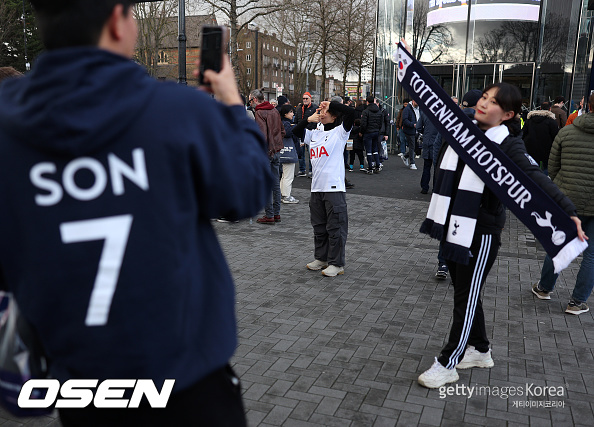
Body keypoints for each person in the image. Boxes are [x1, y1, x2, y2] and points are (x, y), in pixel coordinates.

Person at [0, 0, 272, 425]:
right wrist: (231, 105)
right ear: (116, 20)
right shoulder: (180, 112)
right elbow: (249, 189)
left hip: (83, 386)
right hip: (186, 382)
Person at [417, 83, 584, 389]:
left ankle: (448, 363)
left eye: (493, 102)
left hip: (481, 232)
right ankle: (480, 350)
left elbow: (536, 178)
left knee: (464, 298)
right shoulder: (460, 128)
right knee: (465, 294)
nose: (483, 104)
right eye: (484, 97)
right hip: (454, 224)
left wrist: (567, 210)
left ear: (508, 114)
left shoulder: (507, 144)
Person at [531, 93, 594, 315]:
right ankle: (577, 302)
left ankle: (544, 287)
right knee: (592, 255)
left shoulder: (566, 132)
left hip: (568, 200)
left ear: (587, 106)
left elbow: (553, 166)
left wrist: (561, 188)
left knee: (559, 243)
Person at [293, 101, 355, 277]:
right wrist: (308, 119)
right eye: (320, 109)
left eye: (325, 110)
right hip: (316, 187)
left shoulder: (340, 132)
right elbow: (296, 131)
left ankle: (337, 263)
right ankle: (322, 258)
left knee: (336, 227)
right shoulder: (315, 134)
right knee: (319, 227)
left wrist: (332, 103)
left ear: (334, 115)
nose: (321, 112)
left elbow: (351, 112)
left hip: (333, 188)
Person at [433, 89, 482, 280]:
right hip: (472, 185)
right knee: (469, 223)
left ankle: (443, 263)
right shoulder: (484, 126)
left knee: (447, 223)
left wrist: (439, 178)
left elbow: (439, 149)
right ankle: (463, 260)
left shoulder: (450, 122)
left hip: (449, 181)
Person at [251, 89, 285, 224]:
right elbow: (282, 130)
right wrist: (276, 144)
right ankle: (276, 213)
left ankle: (269, 214)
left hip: (266, 152)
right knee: (276, 183)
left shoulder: (260, 112)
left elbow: (261, 135)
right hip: (275, 150)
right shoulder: (274, 110)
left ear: (254, 99)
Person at [522, 102, 558, 174]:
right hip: (546, 149)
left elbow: (523, 133)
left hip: (531, 148)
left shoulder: (530, 120)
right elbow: (555, 136)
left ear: (540, 108)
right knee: (546, 169)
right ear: (550, 109)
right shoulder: (551, 121)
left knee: (532, 168)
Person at [279, 104, 299, 204]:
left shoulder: (280, 122)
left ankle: (282, 194)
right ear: (285, 113)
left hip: (282, 152)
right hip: (288, 152)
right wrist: (294, 128)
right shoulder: (287, 124)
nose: (293, 114)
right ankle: (286, 196)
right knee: (288, 175)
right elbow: (288, 133)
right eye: (291, 112)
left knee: (284, 175)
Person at [295, 92, 318, 177]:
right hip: (301, 132)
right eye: (303, 98)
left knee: (311, 153)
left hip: (310, 132)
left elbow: (316, 120)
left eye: (306, 98)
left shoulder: (314, 108)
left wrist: (310, 128)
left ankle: (311, 171)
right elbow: (297, 119)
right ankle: (302, 170)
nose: (305, 100)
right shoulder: (300, 108)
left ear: (310, 99)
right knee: (301, 153)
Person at [416, 110, 439, 194]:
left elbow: (418, 127)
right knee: (436, 168)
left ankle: (424, 187)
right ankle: (435, 188)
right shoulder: (441, 114)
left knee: (426, 166)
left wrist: (425, 132)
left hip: (427, 142)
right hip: (436, 144)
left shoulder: (424, 113)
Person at [360, 95, 383, 174]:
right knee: (375, 149)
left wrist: (362, 132)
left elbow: (363, 124)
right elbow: (381, 123)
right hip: (376, 132)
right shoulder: (379, 111)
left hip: (368, 132)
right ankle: (377, 165)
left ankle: (370, 167)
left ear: (367, 102)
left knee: (368, 150)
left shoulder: (366, 111)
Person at [401, 99, 419, 170]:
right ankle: (412, 163)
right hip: (410, 130)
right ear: (413, 101)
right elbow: (405, 120)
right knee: (412, 146)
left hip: (417, 130)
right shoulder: (407, 109)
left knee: (414, 147)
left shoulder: (418, 109)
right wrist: (413, 125)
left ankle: (405, 156)